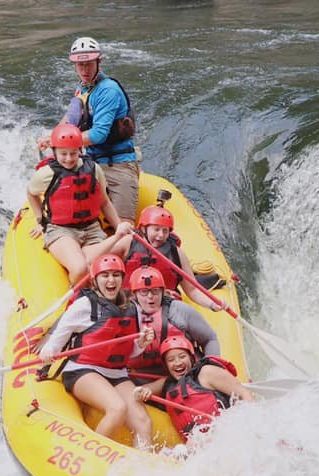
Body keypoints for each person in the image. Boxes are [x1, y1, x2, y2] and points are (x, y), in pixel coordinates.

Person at [39, 254, 155, 449]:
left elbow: (129, 351)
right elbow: (58, 338)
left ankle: (143, 464)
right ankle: (91, 457)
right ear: (96, 280)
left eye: (116, 275)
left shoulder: (132, 307)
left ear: (122, 278)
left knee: (144, 422)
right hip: (83, 370)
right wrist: (48, 352)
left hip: (117, 373)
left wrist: (141, 344)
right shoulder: (84, 306)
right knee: (117, 408)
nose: (111, 280)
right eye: (105, 275)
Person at [38, 36, 140, 223]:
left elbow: (98, 134)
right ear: (74, 66)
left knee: (123, 226)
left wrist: (59, 143)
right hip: (90, 163)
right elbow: (70, 119)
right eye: (80, 65)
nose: (84, 70)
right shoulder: (83, 88)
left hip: (117, 166)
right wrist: (53, 135)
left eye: (88, 64)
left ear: (98, 62)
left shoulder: (108, 90)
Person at [27, 123, 132, 283]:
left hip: (91, 230)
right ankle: (80, 298)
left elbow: (104, 202)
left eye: (73, 153)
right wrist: (41, 220)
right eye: (63, 154)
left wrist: (119, 228)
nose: (68, 158)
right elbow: (31, 193)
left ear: (80, 151)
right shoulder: (46, 174)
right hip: (61, 231)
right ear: (54, 152)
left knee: (127, 243)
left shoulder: (94, 169)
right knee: (80, 268)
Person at [133, 335, 253, 443]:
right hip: (199, 443)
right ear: (166, 365)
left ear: (191, 358)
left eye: (182, 356)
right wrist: (144, 392)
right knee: (188, 447)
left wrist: (248, 425)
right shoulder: (167, 383)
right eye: (171, 360)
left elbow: (244, 394)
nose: (177, 363)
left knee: (194, 444)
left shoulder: (207, 372)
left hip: (225, 433)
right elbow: (140, 390)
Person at [111, 203, 218, 306]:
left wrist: (212, 305)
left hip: (163, 305)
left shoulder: (176, 253)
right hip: (128, 301)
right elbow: (101, 260)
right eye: (156, 229)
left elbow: (192, 290)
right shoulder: (128, 242)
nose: (161, 235)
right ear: (143, 229)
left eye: (165, 231)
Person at [126, 266, 221, 374]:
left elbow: (209, 338)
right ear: (134, 294)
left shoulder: (179, 310)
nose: (150, 296)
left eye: (155, 291)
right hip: (138, 374)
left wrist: (211, 367)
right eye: (144, 292)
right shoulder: (124, 315)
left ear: (162, 292)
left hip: (183, 373)